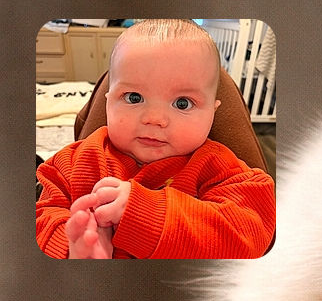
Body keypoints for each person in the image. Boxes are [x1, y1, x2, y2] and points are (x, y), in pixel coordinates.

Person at [36, 19, 275, 259]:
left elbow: (252, 232)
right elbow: (42, 214)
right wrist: (73, 245)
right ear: (108, 100)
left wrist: (146, 215)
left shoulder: (217, 167)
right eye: (133, 97)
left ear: (213, 112)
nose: (154, 119)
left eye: (183, 103)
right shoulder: (73, 161)